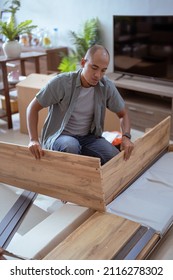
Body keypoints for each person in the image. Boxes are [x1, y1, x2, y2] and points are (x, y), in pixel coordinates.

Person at [27, 44, 134, 165]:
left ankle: (81, 159)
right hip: (61, 136)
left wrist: (126, 137)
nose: (98, 75)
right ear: (83, 63)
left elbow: (123, 114)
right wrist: (33, 140)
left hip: (88, 138)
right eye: (94, 67)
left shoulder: (106, 86)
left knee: (114, 157)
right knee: (70, 146)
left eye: (103, 70)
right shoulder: (61, 82)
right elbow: (32, 108)